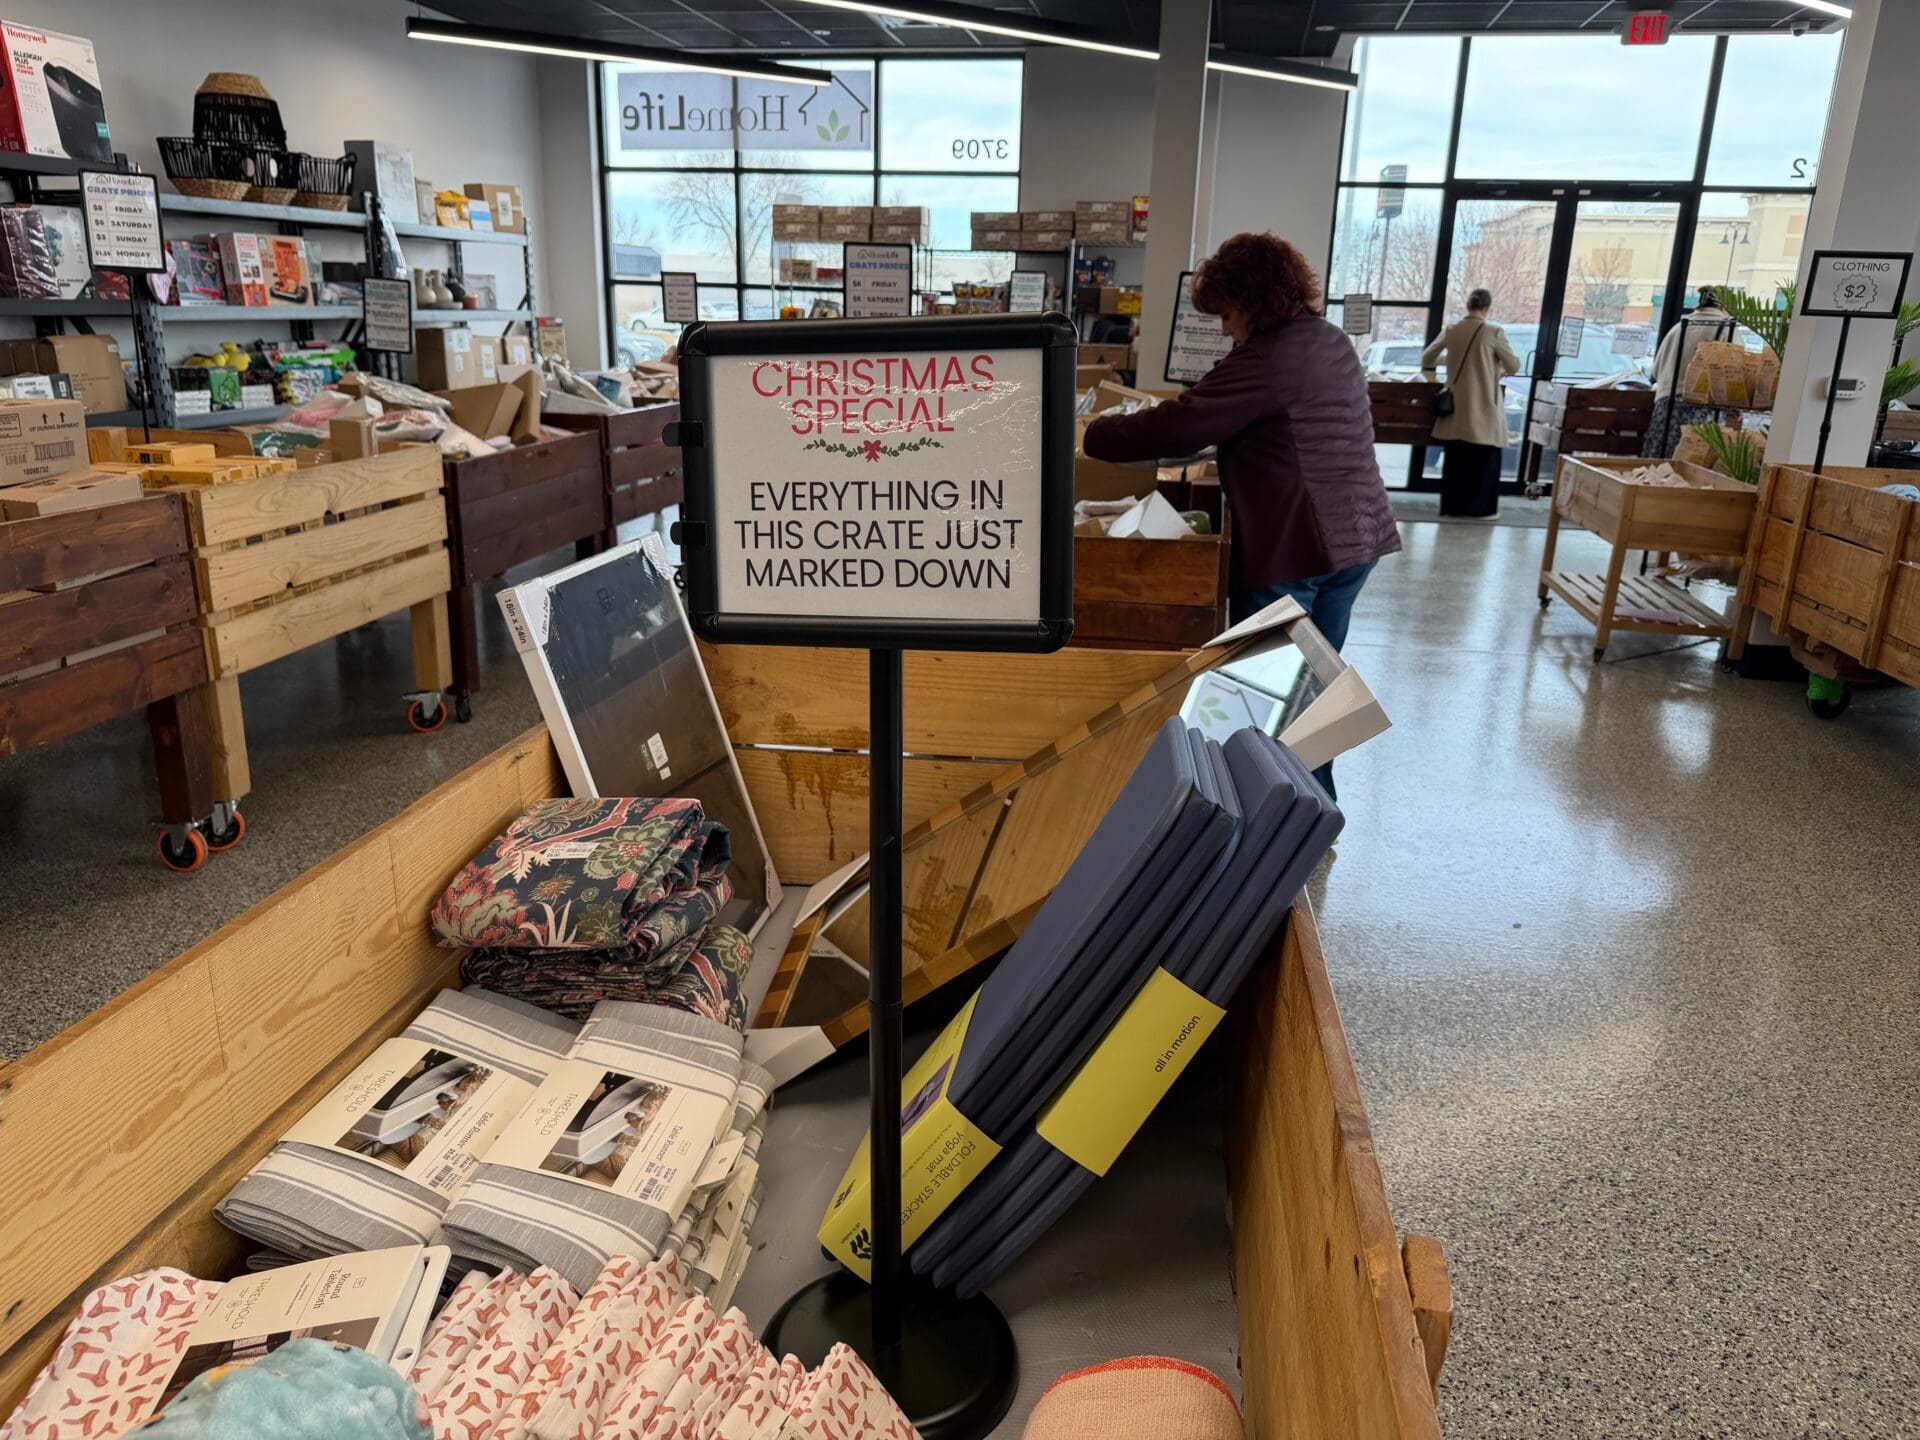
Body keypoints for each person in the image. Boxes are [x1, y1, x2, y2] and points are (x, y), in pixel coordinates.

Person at [1082, 231, 1400, 799]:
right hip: (1357, 537)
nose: (1226, 328)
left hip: (1296, 542)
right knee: (1313, 688)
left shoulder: (1269, 357)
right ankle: (1315, 807)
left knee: (1270, 691)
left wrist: (1093, 432)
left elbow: (1182, 426)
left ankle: (1280, 812)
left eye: (1227, 314)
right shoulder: (1328, 340)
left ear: (1252, 300)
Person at [1421, 288, 1521, 518]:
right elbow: (1514, 366)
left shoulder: (1452, 330)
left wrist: (1450, 361)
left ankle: (1452, 507)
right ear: (1487, 307)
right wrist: (1494, 367)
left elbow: (1427, 358)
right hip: (1484, 408)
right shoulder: (1493, 332)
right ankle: (1480, 511)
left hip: (1455, 409)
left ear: (1468, 305)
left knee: (1455, 461)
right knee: (1483, 461)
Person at [1642, 286, 1752, 457]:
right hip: (1704, 411)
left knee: (1659, 465)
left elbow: (1656, 372)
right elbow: (1735, 377)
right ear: (1724, 305)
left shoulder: (1678, 328)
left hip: (1666, 408)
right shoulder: (1727, 329)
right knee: (1690, 467)